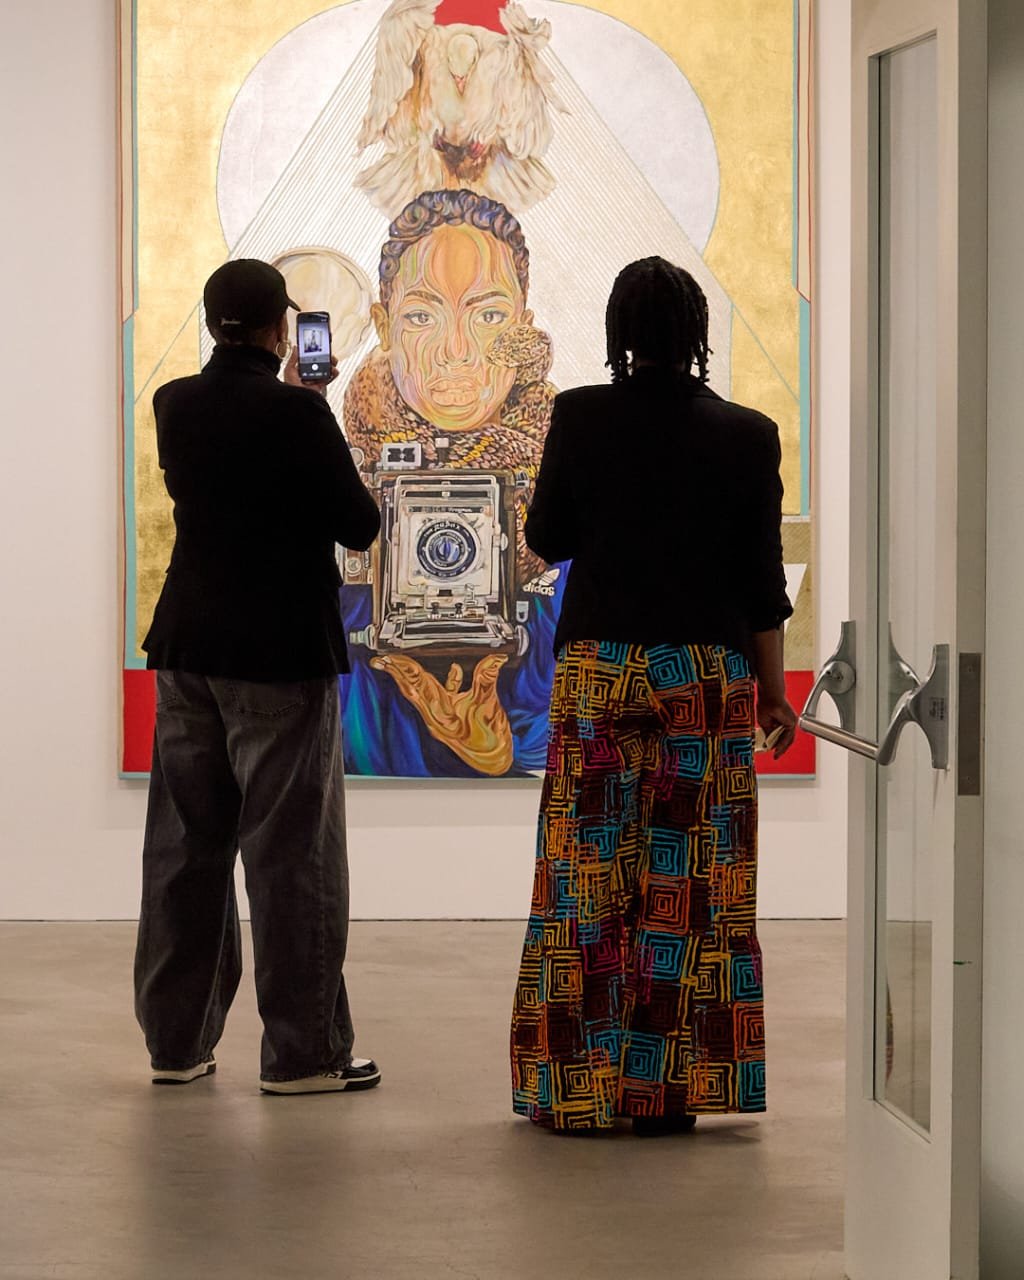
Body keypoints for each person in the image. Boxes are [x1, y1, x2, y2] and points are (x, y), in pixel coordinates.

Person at [509, 256, 797, 1136]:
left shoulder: (580, 416)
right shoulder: (748, 434)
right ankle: (672, 1090)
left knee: (586, 882)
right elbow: (760, 586)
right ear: (698, 334)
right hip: (704, 681)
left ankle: (576, 1091)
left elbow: (547, 536)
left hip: (602, 672)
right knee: (693, 882)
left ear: (618, 334)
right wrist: (775, 695)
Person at [136, 258, 383, 1095]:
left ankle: (176, 1046)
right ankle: (301, 1054)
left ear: (212, 324)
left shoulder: (175, 404)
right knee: (291, 860)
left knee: (184, 851)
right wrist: (314, 410)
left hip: (188, 648)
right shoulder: (299, 415)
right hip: (280, 653)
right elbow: (359, 520)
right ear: (283, 328)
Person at [340, 188, 561, 778]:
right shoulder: (343, 500)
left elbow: (581, 725)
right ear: (383, 328)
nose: (456, 351)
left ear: (523, 329)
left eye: (489, 316)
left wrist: (498, 750)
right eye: (421, 316)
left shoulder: (566, 513)